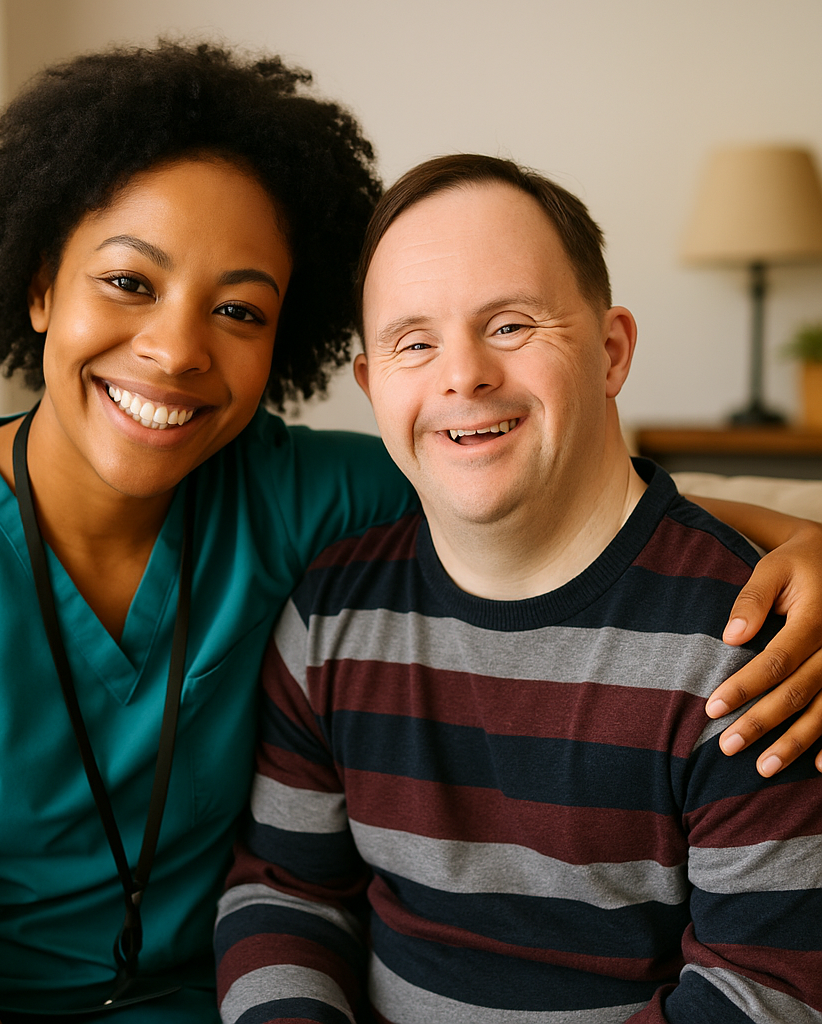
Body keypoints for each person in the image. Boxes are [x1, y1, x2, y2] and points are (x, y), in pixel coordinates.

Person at [0, 43, 818, 1024]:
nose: (174, 349)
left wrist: (801, 539)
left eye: (239, 310)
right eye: (128, 281)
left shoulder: (303, 496)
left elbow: (534, 485)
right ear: (36, 285)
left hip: (175, 1000)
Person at [214, 155, 822, 1022]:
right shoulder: (329, 619)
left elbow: (763, 990)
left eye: (509, 325)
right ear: (371, 385)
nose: (462, 375)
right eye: (413, 343)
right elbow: (286, 895)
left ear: (611, 353)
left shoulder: (755, 642)